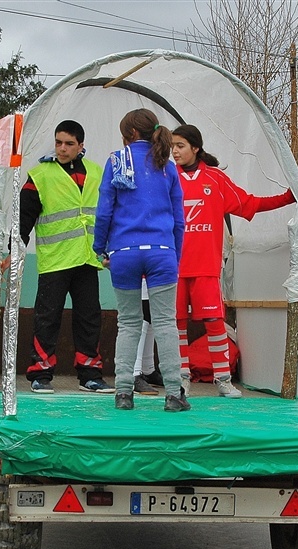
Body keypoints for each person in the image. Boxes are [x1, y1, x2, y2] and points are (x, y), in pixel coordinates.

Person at [171, 124, 296, 398]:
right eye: (172, 146)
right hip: (173, 268)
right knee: (176, 324)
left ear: (195, 148)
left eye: (180, 146)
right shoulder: (168, 178)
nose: (175, 151)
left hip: (205, 268)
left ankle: (223, 380)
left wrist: (288, 198)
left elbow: (249, 203)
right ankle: (180, 380)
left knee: (215, 323)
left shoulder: (215, 179)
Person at [94, 108, 187, 411]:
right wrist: (175, 254)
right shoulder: (168, 167)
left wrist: (100, 248)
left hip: (124, 253)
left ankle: (123, 392)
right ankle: (174, 394)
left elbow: (105, 209)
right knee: (165, 323)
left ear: (131, 134)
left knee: (129, 323)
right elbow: (178, 219)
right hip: (162, 253)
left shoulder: (116, 161)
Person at [18, 119, 114, 394]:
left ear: (81, 146)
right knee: (47, 317)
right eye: (58, 142)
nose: (62, 148)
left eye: (69, 144)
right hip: (55, 259)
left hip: (87, 258)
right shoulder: (40, 175)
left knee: (89, 317)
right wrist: (15, 251)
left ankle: (90, 374)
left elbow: (109, 214)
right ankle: (40, 373)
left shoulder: (97, 173)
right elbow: (25, 218)